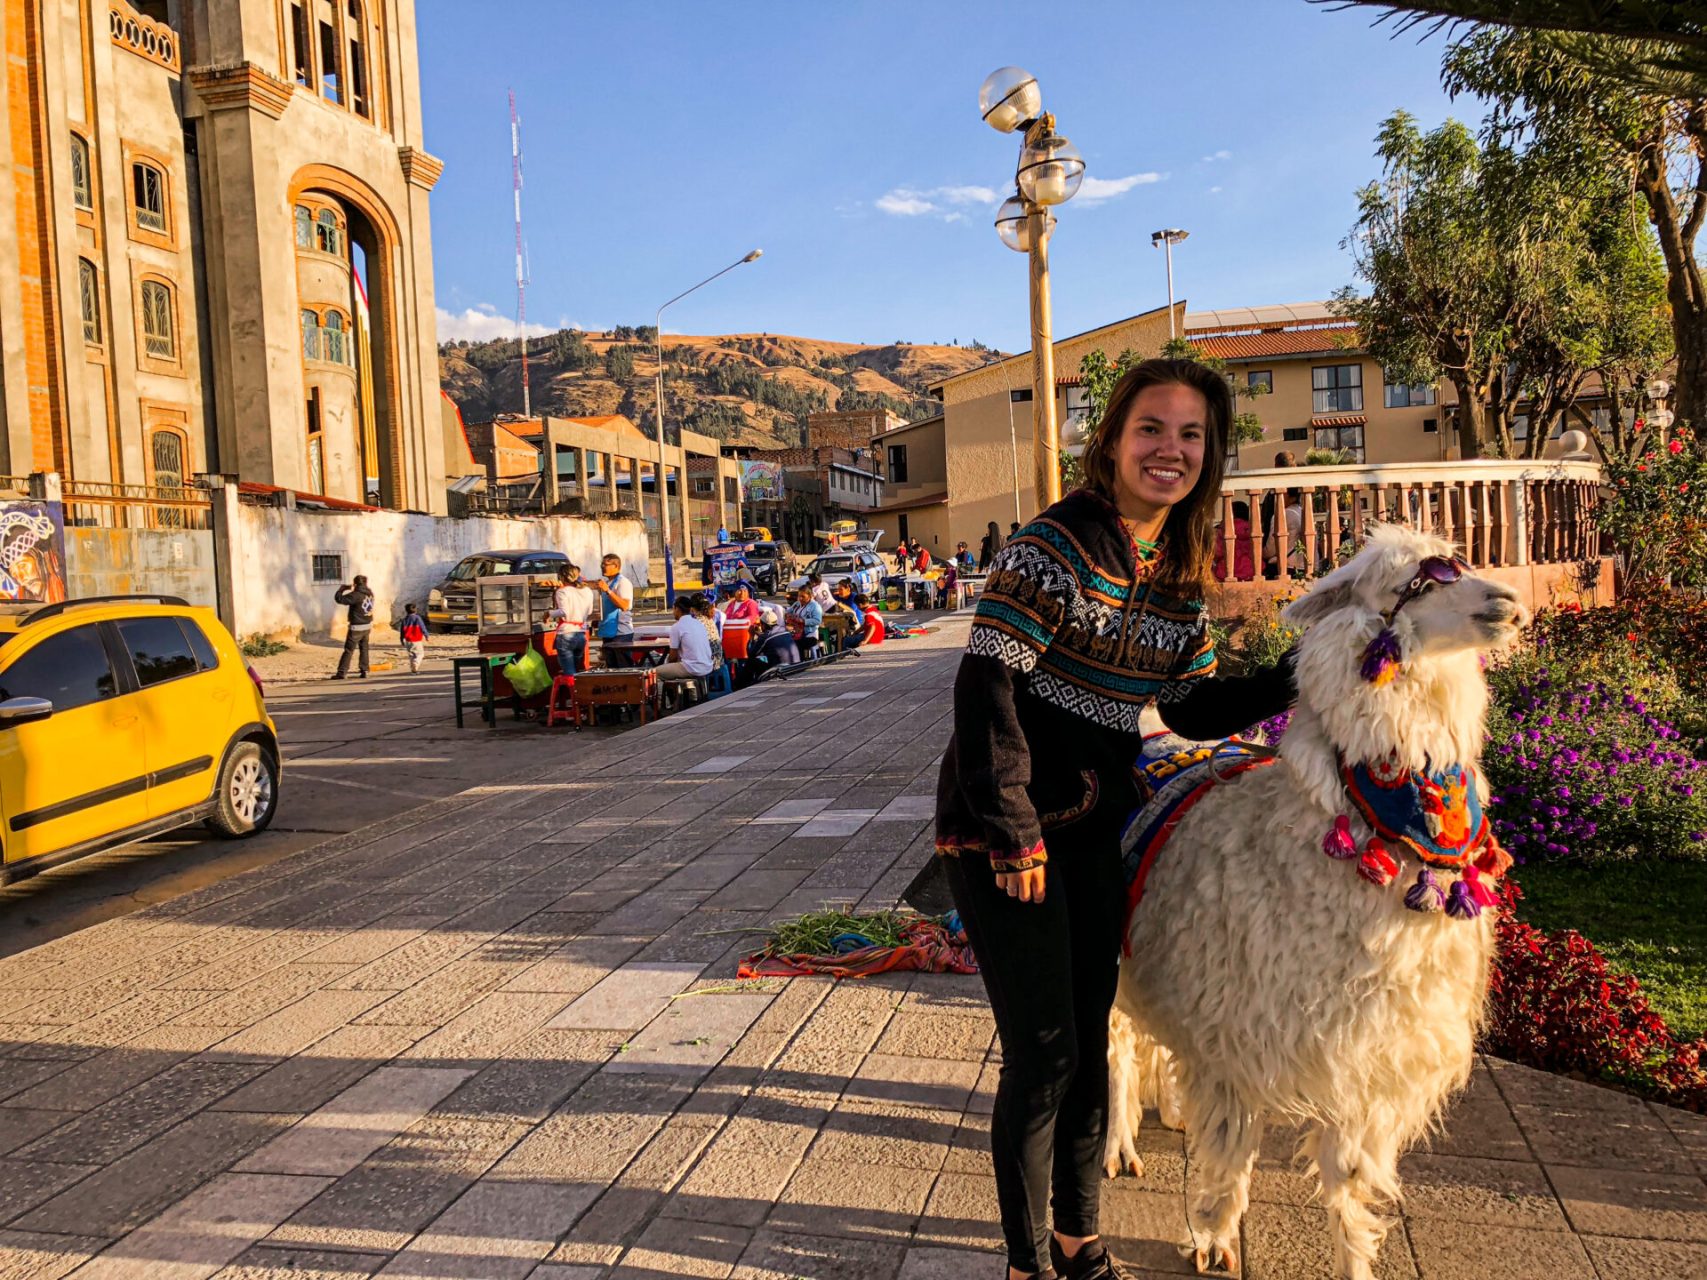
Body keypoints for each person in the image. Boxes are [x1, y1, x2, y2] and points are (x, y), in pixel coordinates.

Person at [935, 358, 1298, 1280]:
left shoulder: (1177, 577)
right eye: (1150, 428)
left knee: (1090, 1044)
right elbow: (987, 686)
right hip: (1004, 826)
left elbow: (1193, 705)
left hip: (1097, 823)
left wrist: (1317, 668)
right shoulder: (1054, 544)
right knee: (1044, 1055)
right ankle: (1025, 1264)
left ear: (1209, 454)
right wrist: (1011, 826)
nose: (1169, 450)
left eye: (1190, 434)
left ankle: (1078, 1240)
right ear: (1111, 440)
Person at [546, 564, 597, 676]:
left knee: (569, 673)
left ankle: (572, 692)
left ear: (562, 577)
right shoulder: (587, 590)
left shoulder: (562, 591)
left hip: (566, 634)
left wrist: (548, 614)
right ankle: (576, 692)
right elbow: (589, 611)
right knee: (576, 672)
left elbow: (564, 611)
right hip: (581, 635)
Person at [654, 596, 717, 682]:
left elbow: (673, 657)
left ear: (677, 609)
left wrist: (666, 665)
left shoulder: (677, 627)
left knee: (653, 673)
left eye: (673, 609)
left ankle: (672, 694)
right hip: (708, 666)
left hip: (693, 668)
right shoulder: (698, 623)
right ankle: (689, 693)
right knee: (674, 667)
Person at [741, 605, 801, 685]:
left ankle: (743, 685)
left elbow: (751, 654)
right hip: (794, 666)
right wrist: (759, 634)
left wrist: (752, 637)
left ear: (763, 625)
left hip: (779, 669)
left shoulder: (765, 637)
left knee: (751, 661)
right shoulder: (784, 630)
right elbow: (772, 636)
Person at [332, 574, 375, 679]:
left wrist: (341, 589)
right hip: (367, 625)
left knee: (349, 650)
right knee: (364, 648)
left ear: (355, 583)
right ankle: (364, 670)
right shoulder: (370, 593)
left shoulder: (355, 595)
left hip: (357, 626)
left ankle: (342, 672)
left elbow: (339, 599)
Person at [589, 553, 635, 640]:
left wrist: (608, 591)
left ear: (616, 566)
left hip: (621, 634)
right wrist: (597, 620)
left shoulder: (622, 582)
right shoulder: (607, 583)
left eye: (605, 564)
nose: (602, 567)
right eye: (601, 564)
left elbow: (625, 606)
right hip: (608, 632)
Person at [1212, 501, 1256, 583]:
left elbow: (1218, 552)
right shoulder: (1253, 528)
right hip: (1250, 569)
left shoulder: (1223, 529)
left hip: (1226, 570)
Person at [721, 580, 762, 664]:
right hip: (730, 637)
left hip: (745, 637)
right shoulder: (732, 603)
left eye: (744, 591)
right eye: (739, 590)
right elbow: (725, 616)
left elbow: (752, 617)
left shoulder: (751, 603)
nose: (741, 593)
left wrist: (737, 622)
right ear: (735, 592)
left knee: (743, 662)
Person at [785, 585, 824, 658]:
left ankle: (799, 663)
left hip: (810, 635)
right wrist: (788, 615)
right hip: (796, 633)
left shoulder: (815, 606)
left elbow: (817, 620)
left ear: (810, 596)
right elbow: (788, 611)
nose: (800, 598)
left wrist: (803, 621)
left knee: (796, 644)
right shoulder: (797, 604)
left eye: (803, 596)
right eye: (799, 596)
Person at [398, 602, 429, 674]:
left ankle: (413, 670)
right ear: (415, 610)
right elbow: (422, 627)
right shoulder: (417, 618)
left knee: (411, 655)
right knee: (420, 654)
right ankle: (416, 663)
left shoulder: (404, 620)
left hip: (408, 640)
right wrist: (426, 635)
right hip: (417, 640)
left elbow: (402, 631)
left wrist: (402, 640)